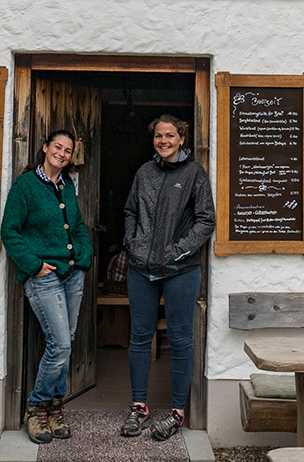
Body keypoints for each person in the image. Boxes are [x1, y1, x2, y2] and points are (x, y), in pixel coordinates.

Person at [120, 115, 216, 441]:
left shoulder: (194, 174)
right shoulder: (144, 172)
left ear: (181, 138)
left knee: (179, 339)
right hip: (141, 269)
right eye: (159, 136)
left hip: (181, 271)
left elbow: (206, 221)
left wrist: (177, 250)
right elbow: (130, 210)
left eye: (170, 135)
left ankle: (176, 413)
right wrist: (132, 244)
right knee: (139, 337)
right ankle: (138, 408)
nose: (164, 141)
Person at [0, 129, 93, 445]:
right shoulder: (25, 186)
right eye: (58, 147)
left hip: (72, 273)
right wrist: (34, 266)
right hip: (43, 276)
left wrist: (84, 254)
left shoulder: (67, 185)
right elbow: (9, 232)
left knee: (65, 341)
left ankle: (54, 408)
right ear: (45, 148)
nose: (62, 153)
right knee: (61, 345)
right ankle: (36, 409)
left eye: (68, 150)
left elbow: (77, 226)